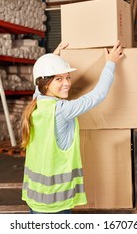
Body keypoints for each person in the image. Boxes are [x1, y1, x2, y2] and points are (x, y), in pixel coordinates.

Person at [21, 40, 124, 214]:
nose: (67, 83)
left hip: (36, 199)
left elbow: (37, 83)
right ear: (45, 83)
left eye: (68, 77)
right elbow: (97, 95)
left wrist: (53, 57)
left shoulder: (36, 102)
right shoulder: (61, 110)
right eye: (59, 79)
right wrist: (111, 63)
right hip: (56, 204)